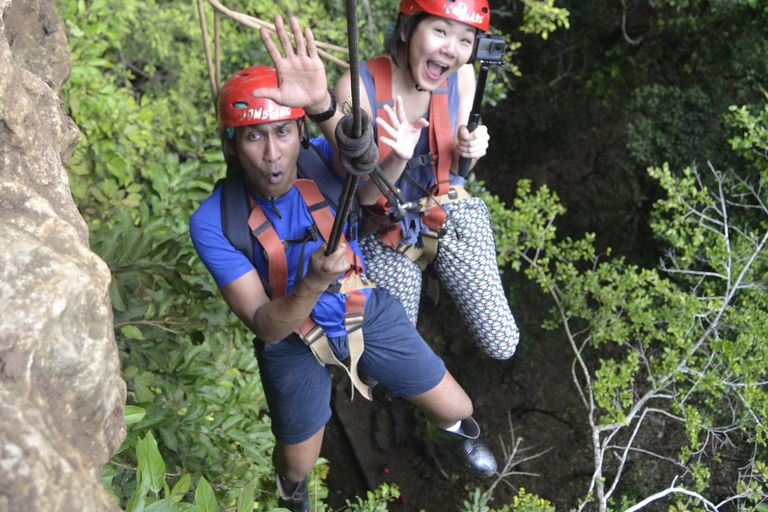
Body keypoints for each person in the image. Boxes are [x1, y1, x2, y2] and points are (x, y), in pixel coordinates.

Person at [189, 65, 497, 512]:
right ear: (232, 147)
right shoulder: (215, 221)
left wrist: (323, 107)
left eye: (282, 132)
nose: (273, 154)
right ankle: (290, 489)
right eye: (254, 137)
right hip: (290, 339)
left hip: (359, 304)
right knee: (298, 463)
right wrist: (313, 281)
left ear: (300, 130)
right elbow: (266, 326)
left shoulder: (322, 159)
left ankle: (445, 432)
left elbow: (369, 173)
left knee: (458, 408)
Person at [255, 2, 519, 362]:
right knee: (391, 360)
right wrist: (399, 156)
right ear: (408, 29)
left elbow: (458, 169)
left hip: (446, 212)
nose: (451, 49)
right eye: (440, 31)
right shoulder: (356, 87)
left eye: (465, 39)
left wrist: (470, 148)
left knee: (502, 343)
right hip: (383, 228)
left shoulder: (463, 77)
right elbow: (364, 191)